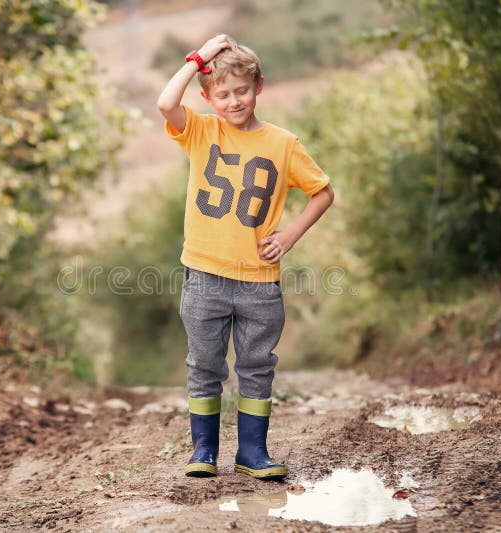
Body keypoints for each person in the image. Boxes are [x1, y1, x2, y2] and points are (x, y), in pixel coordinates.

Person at [157, 34, 334, 480]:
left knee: (256, 367)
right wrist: (200, 56)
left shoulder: (283, 143)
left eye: (242, 90)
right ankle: (204, 451)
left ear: (259, 87)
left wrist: (290, 233)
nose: (234, 101)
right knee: (204, 365)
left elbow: (323, 192)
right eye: (223, 94)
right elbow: (164, 103)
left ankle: (252, 453)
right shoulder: (200, 131)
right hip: (205, 274)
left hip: (259, 279)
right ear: (208, 97)